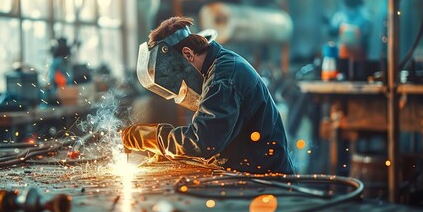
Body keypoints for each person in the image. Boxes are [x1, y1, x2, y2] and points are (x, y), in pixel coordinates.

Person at [122, 17, 294, 174]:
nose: (184, 88)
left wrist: (151, 137)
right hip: (245, 168)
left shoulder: (223, 79)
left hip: (267, 179)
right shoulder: (217, 67)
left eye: (180, 80)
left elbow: (203, 142)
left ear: (188, 55)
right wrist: (172, 154)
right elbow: (215, 136)